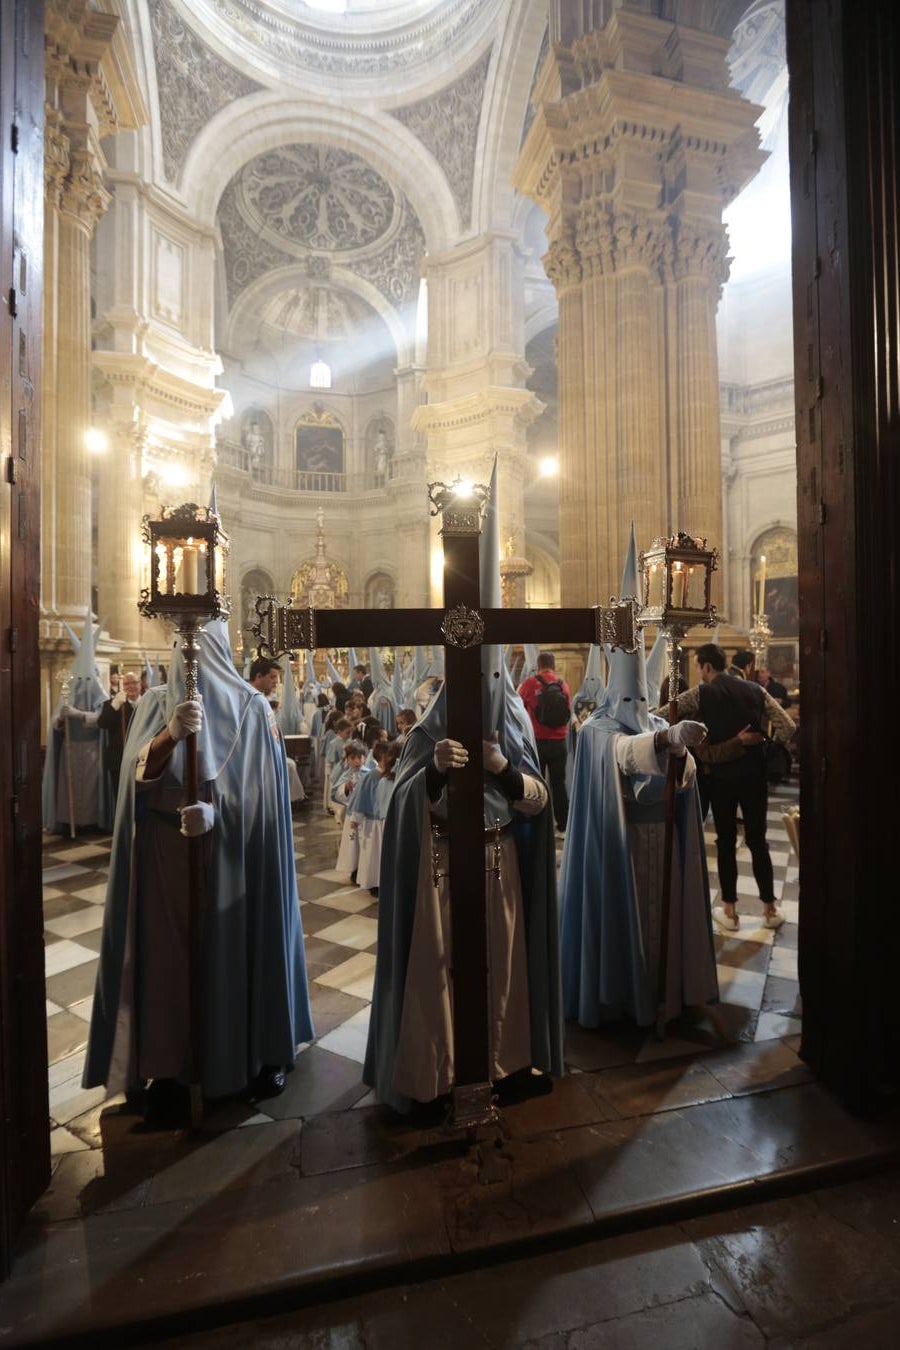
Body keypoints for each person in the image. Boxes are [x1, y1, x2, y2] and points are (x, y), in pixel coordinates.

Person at [364, 460, 563, 1115]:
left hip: (502, 858)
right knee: (443, 969)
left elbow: (538, 800)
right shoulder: (432, 719)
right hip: (447, 867)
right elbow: (401, 802)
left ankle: (501, 1066)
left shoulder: (512, 716)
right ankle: (442, 1073)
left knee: (501, 967)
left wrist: (503, 768)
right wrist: (437, 773)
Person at [82, 619, 314, 1126]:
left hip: (236, 862)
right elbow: (131, 778)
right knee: (167, 967)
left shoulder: (253, 711)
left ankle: (256, 1055)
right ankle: (168, 1070)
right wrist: (168, 737)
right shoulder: (154, 703)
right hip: (166, 857)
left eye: (196, 653)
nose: (186, 665)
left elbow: (267, 801)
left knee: (239, 952)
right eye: (178, 652)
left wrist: (221, 815)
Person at [559, 527, 719, 1030]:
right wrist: (664, 742)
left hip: (662, 841)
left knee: (663, 927)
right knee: (627, 928)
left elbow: (686, 775)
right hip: (620, 853)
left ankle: (668, 993)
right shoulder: (597, 729)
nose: (638, 709)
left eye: (643, 702)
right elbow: (622, 756)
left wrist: (680, 751)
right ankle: (622, 999)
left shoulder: (653, 721)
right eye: (632, 700)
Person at [671, 643, 796, 933]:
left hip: (721, 780)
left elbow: (666, 712)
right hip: (754, 778)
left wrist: (697, 737)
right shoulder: (755, 690)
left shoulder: (702, 693)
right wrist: (766, 747)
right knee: (758, 841)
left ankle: (730, 911)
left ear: (705, 667)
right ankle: (769, 908)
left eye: (701, 669)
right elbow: (787, 726)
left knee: (726, 843)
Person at [42, 609, 111, 835]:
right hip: (71, 750)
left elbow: (103, 719)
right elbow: (54, 725)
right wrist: (61, 717)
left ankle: (91, 821)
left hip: (92, 748)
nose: (82, 683)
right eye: (79, 679)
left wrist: (80, 715)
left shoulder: (101, 694)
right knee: (70, 787)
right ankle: (69, 821)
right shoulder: (67, 693)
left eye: (86, 679)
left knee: (90, 788)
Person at [518, 651, 572, 835]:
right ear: (554, 666)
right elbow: (568, 711)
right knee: (559, 784)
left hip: (537, 743)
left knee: (536, 784)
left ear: (538, 665)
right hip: (559, 743)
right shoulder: (563, 685)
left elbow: (517, 707)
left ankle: (539, 825)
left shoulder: (530, 683)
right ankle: (564, 826)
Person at [97, 670, 142, 807]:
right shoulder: (113, 704)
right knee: (122, 801)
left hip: (143, 760)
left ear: (140, 684)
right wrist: (114, 706)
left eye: (134, 682)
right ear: (123, 686)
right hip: (119, 760)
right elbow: (102, 724)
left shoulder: (148, 703)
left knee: (141, 799)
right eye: (127, 684)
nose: (131, 686)